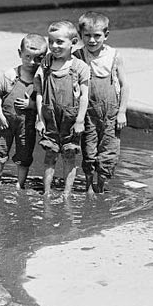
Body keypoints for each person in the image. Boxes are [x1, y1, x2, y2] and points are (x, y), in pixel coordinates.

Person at [73, 11, 131, 197]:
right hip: (88, 113)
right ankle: (89, 186)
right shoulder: (78, 56)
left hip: (111, 113)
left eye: (97, 36)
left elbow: (124, 85)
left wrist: (122, 111)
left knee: (109, 150)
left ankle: (101, 185)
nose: (91, 40)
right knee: (89, 150)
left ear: (106, 35)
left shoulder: (114, 56)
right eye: (87, 36)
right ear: (80, 35)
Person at [35, 21, 91, 198]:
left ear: (73, 42)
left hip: (71, 120)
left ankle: (66, 193)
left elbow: (84, 96)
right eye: (51, 42)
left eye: (59, 42)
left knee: (69, 155)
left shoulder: (80, 67)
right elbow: (39, 93)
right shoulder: (46, 63)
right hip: (50, 118)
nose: (54, 46)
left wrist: (80, 120)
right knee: (50, 155)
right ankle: (46, 192)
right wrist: (40, 118)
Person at [0, 34, 48, 189]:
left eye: (37, 58)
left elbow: (46, 103)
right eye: (27, 57)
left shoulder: (41, 79)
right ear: (19, 53)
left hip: (26, 125)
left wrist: (32, 104)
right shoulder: (11, 75)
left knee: (24, 153)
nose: (31, 62)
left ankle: (19, 184)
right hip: (5, 121)